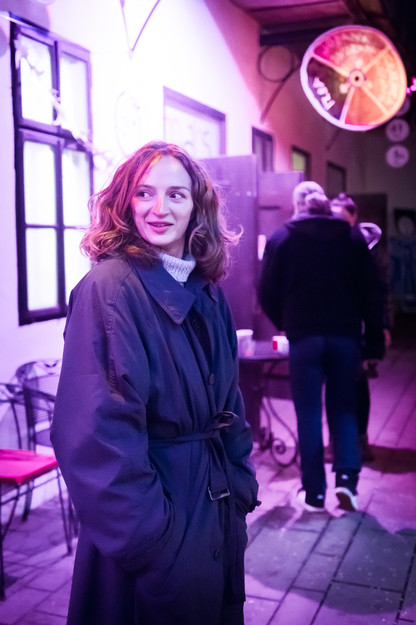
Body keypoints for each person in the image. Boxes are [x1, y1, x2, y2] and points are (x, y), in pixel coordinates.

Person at [51, 141, 259, 625]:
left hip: (213, 510)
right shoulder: (110, 289)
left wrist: (240, 482)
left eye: (175, 195)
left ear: (196, 207)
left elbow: (230, 400)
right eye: (144, 193)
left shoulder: (205, 289)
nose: (158, 208)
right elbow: (94, 436)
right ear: (125, 202)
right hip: (156, 532)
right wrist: (151, 542)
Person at [258, 185, 384, 513]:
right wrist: (373, 340)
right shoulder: (352, 238)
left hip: (304, 340)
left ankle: (314, 493)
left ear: (297, 206)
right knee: (344, 409)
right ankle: (347, 481)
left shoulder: (282, 238)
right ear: (325, 205)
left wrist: (287, 321)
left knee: (308, 412)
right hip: (345, 337)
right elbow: (372, 292)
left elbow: (266, 291)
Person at [330, 193, 394, 461]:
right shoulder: (330, 243)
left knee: (359, 382)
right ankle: (339, 443)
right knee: (336, 385)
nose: (337, 221)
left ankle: (360, 440)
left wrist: (384, 325)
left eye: (342, 216)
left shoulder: (370, 248)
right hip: (336, 324)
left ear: (354, 217)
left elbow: (382, 291)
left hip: (360, 325)